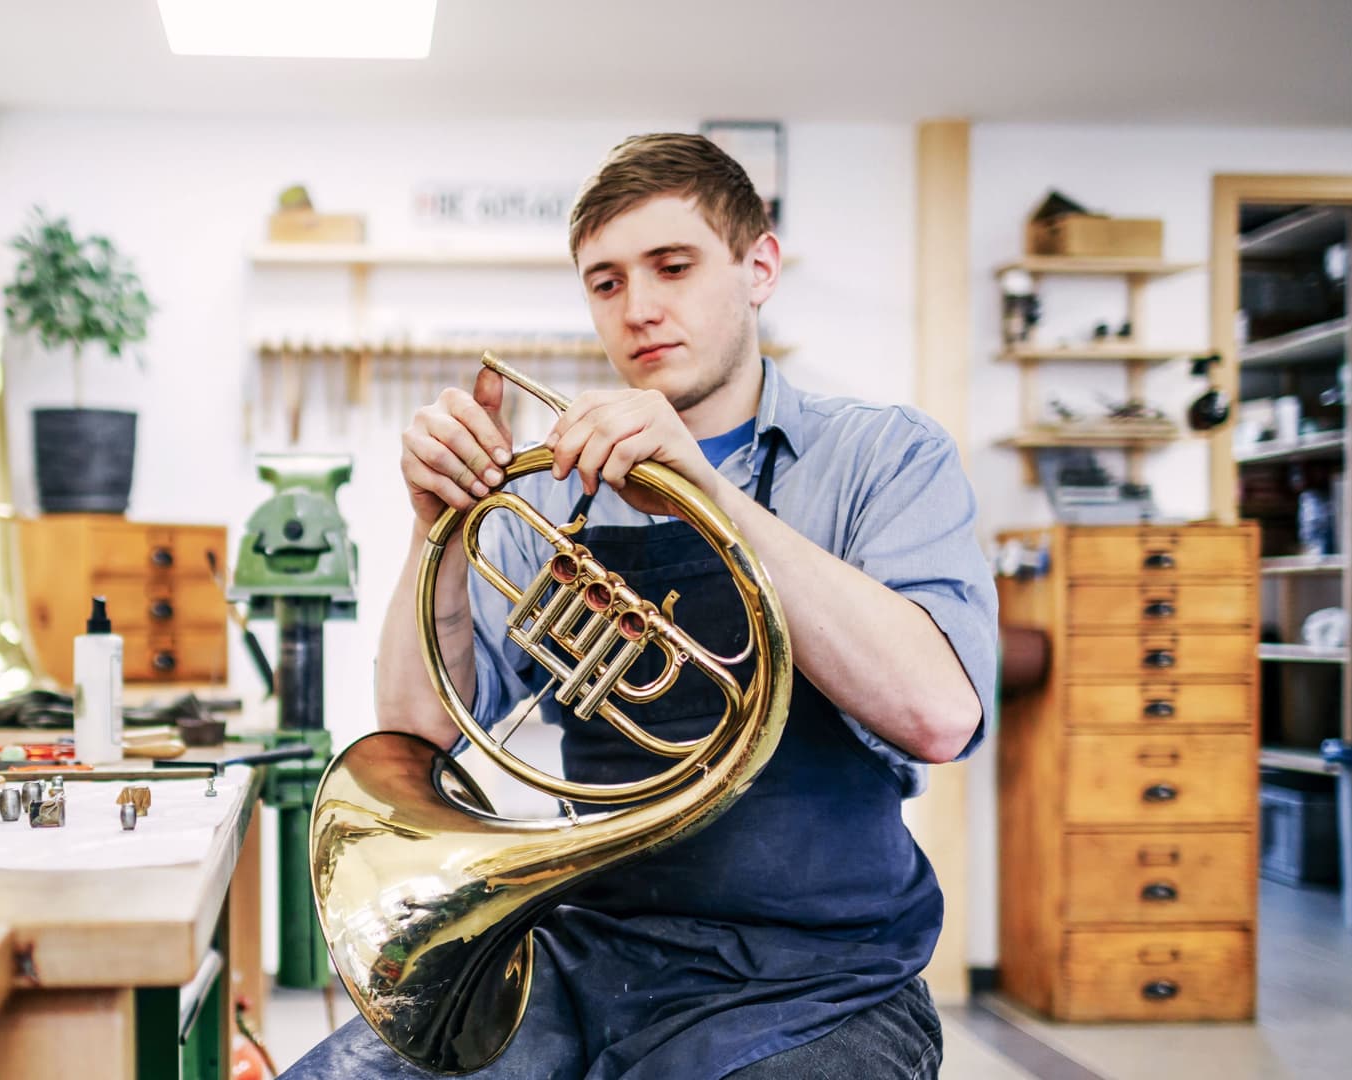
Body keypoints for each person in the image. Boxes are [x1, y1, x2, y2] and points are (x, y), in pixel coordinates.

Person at [288, 133, 996, 1080]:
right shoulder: (539, 490)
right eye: (607, 282)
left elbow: (940, 715)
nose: (641, 308)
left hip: (825, 976)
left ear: (759, 268)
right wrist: (437, 537)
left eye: (673, 266)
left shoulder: (883, 456)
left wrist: (711, 500)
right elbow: (417, 737)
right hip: (588, 949)